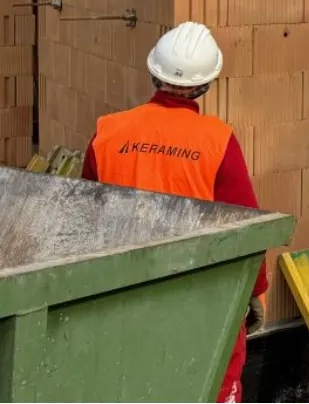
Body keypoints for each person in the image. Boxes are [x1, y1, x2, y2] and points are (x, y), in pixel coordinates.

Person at [81, 22, 267, 403]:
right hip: (201, 304)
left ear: (154, 74)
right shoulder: (217, 141)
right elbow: (246, 226)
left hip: (122, 299)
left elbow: (84, 220)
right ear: (206, 84)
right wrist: (254, 292)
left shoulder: (108, 133)